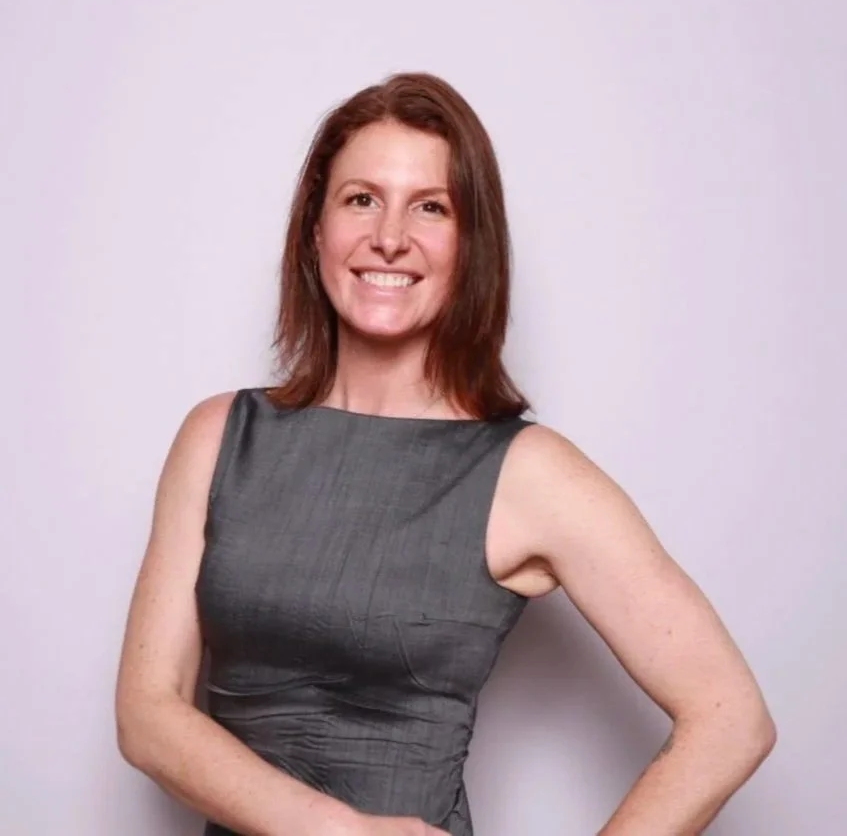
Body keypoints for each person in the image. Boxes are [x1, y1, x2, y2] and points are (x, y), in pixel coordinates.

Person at [115, 72, 776, 836]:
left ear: (469, 246)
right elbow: (146, 713)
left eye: (430, 207)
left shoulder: (527, 474)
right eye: (361, 199)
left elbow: (729, 718)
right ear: (314, 230)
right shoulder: (218, 437)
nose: (388, 235)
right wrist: (339, 830)